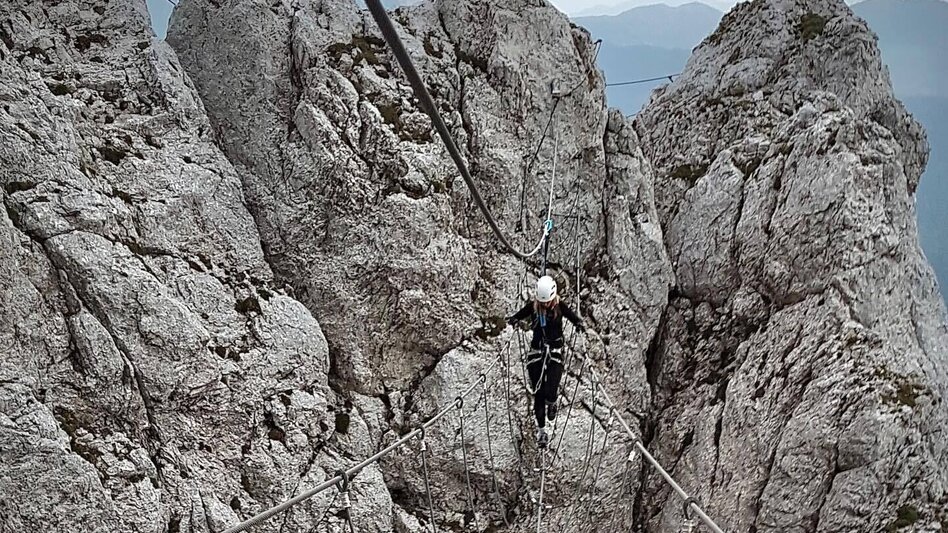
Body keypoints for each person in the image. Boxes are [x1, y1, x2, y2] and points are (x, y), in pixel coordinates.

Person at [507, 275, 585, 448]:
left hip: (555, 351)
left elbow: (572, 316)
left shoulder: (559, 306)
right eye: (543, 303)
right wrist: (514, 319)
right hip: (537, 352)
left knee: (551, 389)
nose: (545, 306)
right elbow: (522, 313)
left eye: (547, 302)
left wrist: (578, 324)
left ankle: (553, 402)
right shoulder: (535, 307)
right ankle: (542, 432)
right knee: (538, 394)